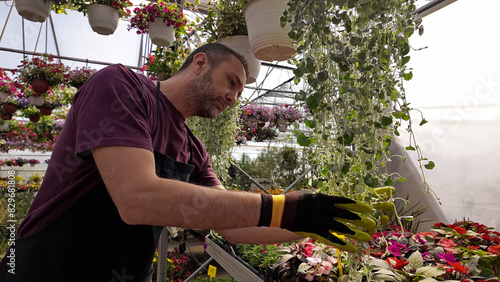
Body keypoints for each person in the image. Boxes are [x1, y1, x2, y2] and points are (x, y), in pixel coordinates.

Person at [0, 43, 374, 281]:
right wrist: (286, 208)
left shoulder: (193, 149)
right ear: (199, 63)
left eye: (240, 92)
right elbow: (136, 198)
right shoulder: (122, 87)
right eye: (231, 82)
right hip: (44, 266)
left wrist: (315, 222)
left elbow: (236, 229)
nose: (233, 97)